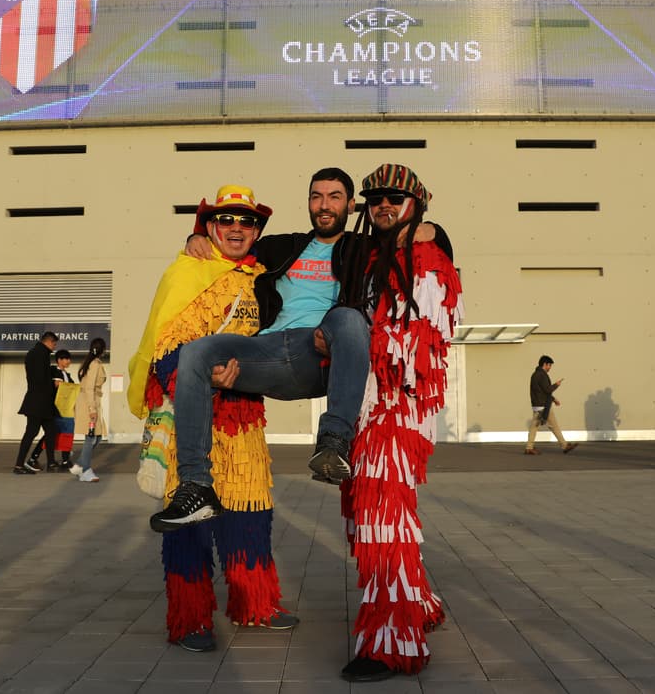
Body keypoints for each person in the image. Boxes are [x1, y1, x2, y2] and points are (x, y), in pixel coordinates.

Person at [150, 168, 450, 529]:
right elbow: (234, 239)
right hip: (266, 352)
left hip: (318, 351)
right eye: (317, 196)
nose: (324, 205)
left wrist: (433, 230)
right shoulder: (284, 245)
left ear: (351, 205)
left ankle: (334, 440)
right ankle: (196, 485)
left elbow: (425, 245)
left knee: (348, 318)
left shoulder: (362, 247)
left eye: (334, 196)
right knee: (197, 353)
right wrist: (197, 235)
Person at [127, 184, 298, 651]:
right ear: (209, 227)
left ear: (258, 229)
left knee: (250, 515)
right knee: (191, 526)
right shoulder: (186, 270)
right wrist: (204, 371)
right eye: (226, 220)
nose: (236, 228)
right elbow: (163, 352)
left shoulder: (266, 274)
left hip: (244, 419)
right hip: (192, 426)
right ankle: (190, 621)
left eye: (246, 221)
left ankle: (256, 604)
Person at [338, 163, 464, 683]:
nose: (382, 205)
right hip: (368, 412)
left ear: (418, 205)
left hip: (394, 410)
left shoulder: (429, 259)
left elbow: (413, 342)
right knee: (372, 519)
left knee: (382, 522)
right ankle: (421, 603)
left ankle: (392, 643)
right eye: (374, 199)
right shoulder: (368, 255)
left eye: (394, 197)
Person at [13, 331, 59, 474]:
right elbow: (40, 378)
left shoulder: (34, 352)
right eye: (54, 344)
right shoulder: (41, 354)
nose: (54, 347)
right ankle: (19, 465)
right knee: (32, 432)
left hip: (38, 401)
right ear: (48, 342)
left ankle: (50, 463)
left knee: (50, 431)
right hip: (39, 401)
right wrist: (53, 384)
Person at [27, 349, 76, 470]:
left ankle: (65, 460)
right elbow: (53, 385)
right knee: (50, 434)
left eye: (69, 359)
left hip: (66, 409)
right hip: (54, 407)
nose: (69, 361)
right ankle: (34, 457)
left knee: (66, 433)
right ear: (59, 360)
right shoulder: (52, 370)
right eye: (66, 359)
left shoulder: (68, 376)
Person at [70, 337, 107, 483]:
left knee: (96, 437)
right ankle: (85, 470)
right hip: (88, 403)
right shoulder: (95, 364)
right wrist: (92, 409)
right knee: (91, 437)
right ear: (102, 350)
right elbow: (90, 388)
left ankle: (79, 465)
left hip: (91, 402)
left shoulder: (90, 363)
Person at [525, 355, 578, 455]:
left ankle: (529, 447)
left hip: (537, 404)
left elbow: (541, 391)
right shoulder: (542, 375)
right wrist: (556, 385)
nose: (550, 368)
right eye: (549, 365)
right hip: (544, 405)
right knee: (554, 426)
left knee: (534, 426)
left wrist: (553, 399)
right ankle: (565, 445)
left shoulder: (535, 374)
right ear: (545, 364)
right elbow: (547, 390)